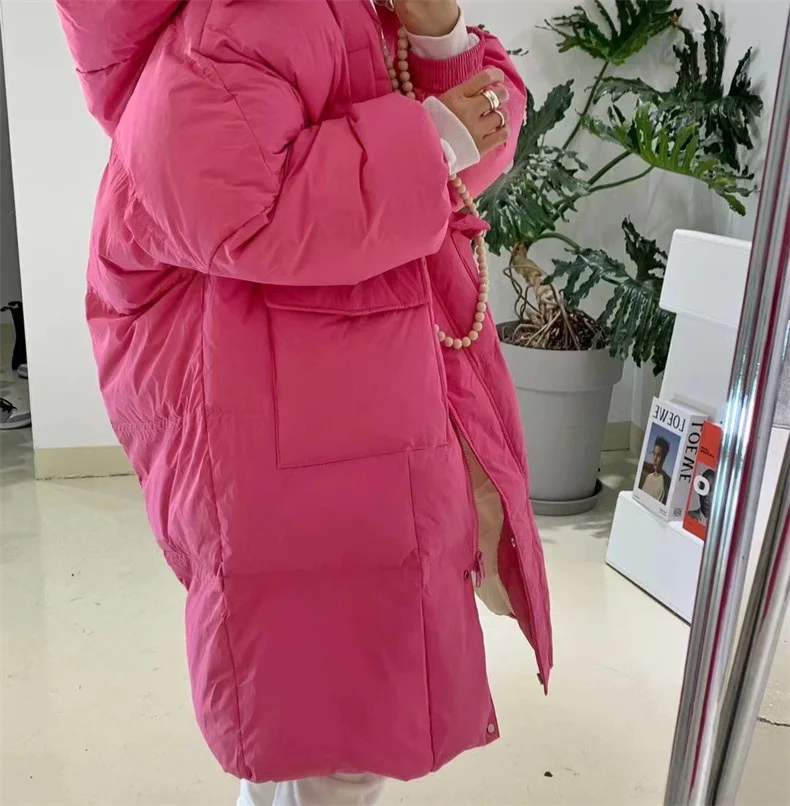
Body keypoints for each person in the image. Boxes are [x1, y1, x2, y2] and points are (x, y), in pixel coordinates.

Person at [55, 1, 553, 804]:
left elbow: (475, 142)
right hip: (302, 421)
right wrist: (433, 137)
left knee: (341, 719)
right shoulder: (237, 21)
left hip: (352, 402)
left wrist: (440, 38)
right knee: (332, 723)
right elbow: (241, 207)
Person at [640, 435, 672, 504]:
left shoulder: (662, 485)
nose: (654, 459)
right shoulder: (649, 477)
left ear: (663, 459)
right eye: (654, 454)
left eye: (658, 455)